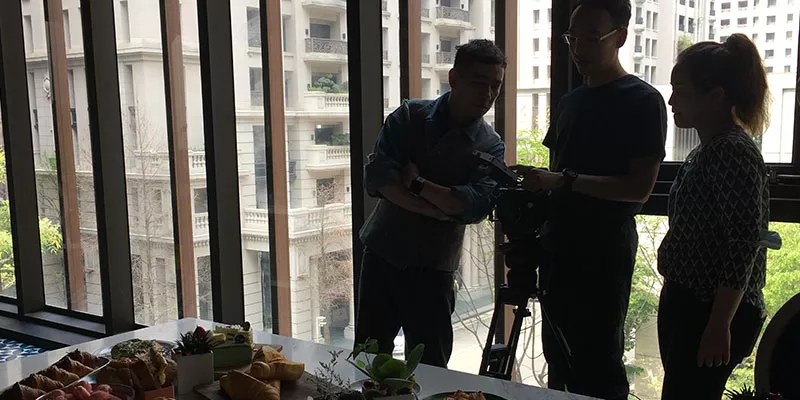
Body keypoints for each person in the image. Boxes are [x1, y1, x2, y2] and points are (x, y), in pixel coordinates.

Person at [512, 0, 667, 398]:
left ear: (621, 36)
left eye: (592, 38)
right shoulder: (570, 102)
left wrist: (562, 181)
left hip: (603, 253)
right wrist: (541, 183)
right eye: (572, 38)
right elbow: (560, 176)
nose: (578, 49)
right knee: (557, 357)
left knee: (598, 364)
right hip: (557, 247)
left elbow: (639, 188)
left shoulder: (643, 100)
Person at [355, 39, 507, 368]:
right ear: (453, 79)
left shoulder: (491, 145)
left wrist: (416, 183)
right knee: (367, 359)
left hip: (435, 267)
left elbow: (472, 207)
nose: (488, 94)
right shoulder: (409, 116)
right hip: (382, 254)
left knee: (431, 367)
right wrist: (439, 207)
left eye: (496, 85)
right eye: (479, 82)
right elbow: (379, 180)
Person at [657, 33, 770, 399]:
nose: (672, 100)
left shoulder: (731, 152)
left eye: (681, 90)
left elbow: (743, 242)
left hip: (709, 310)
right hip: (692, 304)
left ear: (716, 96)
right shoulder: (708, 150)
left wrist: (719, 323)